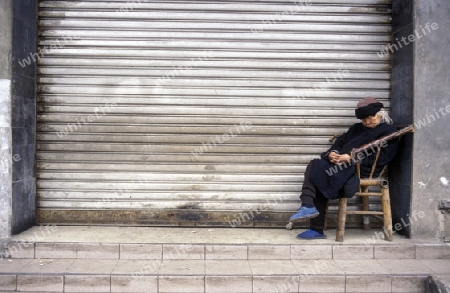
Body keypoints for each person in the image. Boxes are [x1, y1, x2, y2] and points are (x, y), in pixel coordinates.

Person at [289, 97, 399, 239]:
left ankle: (314, 224)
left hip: (359, 169)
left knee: (320, 173)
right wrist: (332, 154)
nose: (367, 122)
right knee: (316, 166)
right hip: (340, 165)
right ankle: (308, 207)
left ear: (380, 113)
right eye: (364, 119)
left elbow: (384, 158)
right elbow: (340, 142)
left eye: (370, 117)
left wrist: (351, 158)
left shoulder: (388, 132)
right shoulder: (356, 128)